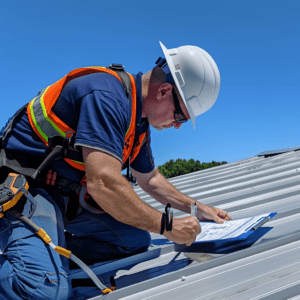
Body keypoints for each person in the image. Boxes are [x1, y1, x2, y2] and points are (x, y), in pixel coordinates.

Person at [0, 41, 232, 299]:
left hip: (60, 198)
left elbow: (151, 179)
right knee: (42, 292)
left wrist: (198, 209)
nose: (177, 126)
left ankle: (48, 261)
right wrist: (167, 226)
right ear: (165, 91)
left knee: (134, 242)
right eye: (180, 117)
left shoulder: (138, 123)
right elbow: (104, 183)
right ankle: (41, 274)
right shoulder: (106, 96)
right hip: (23, 190)